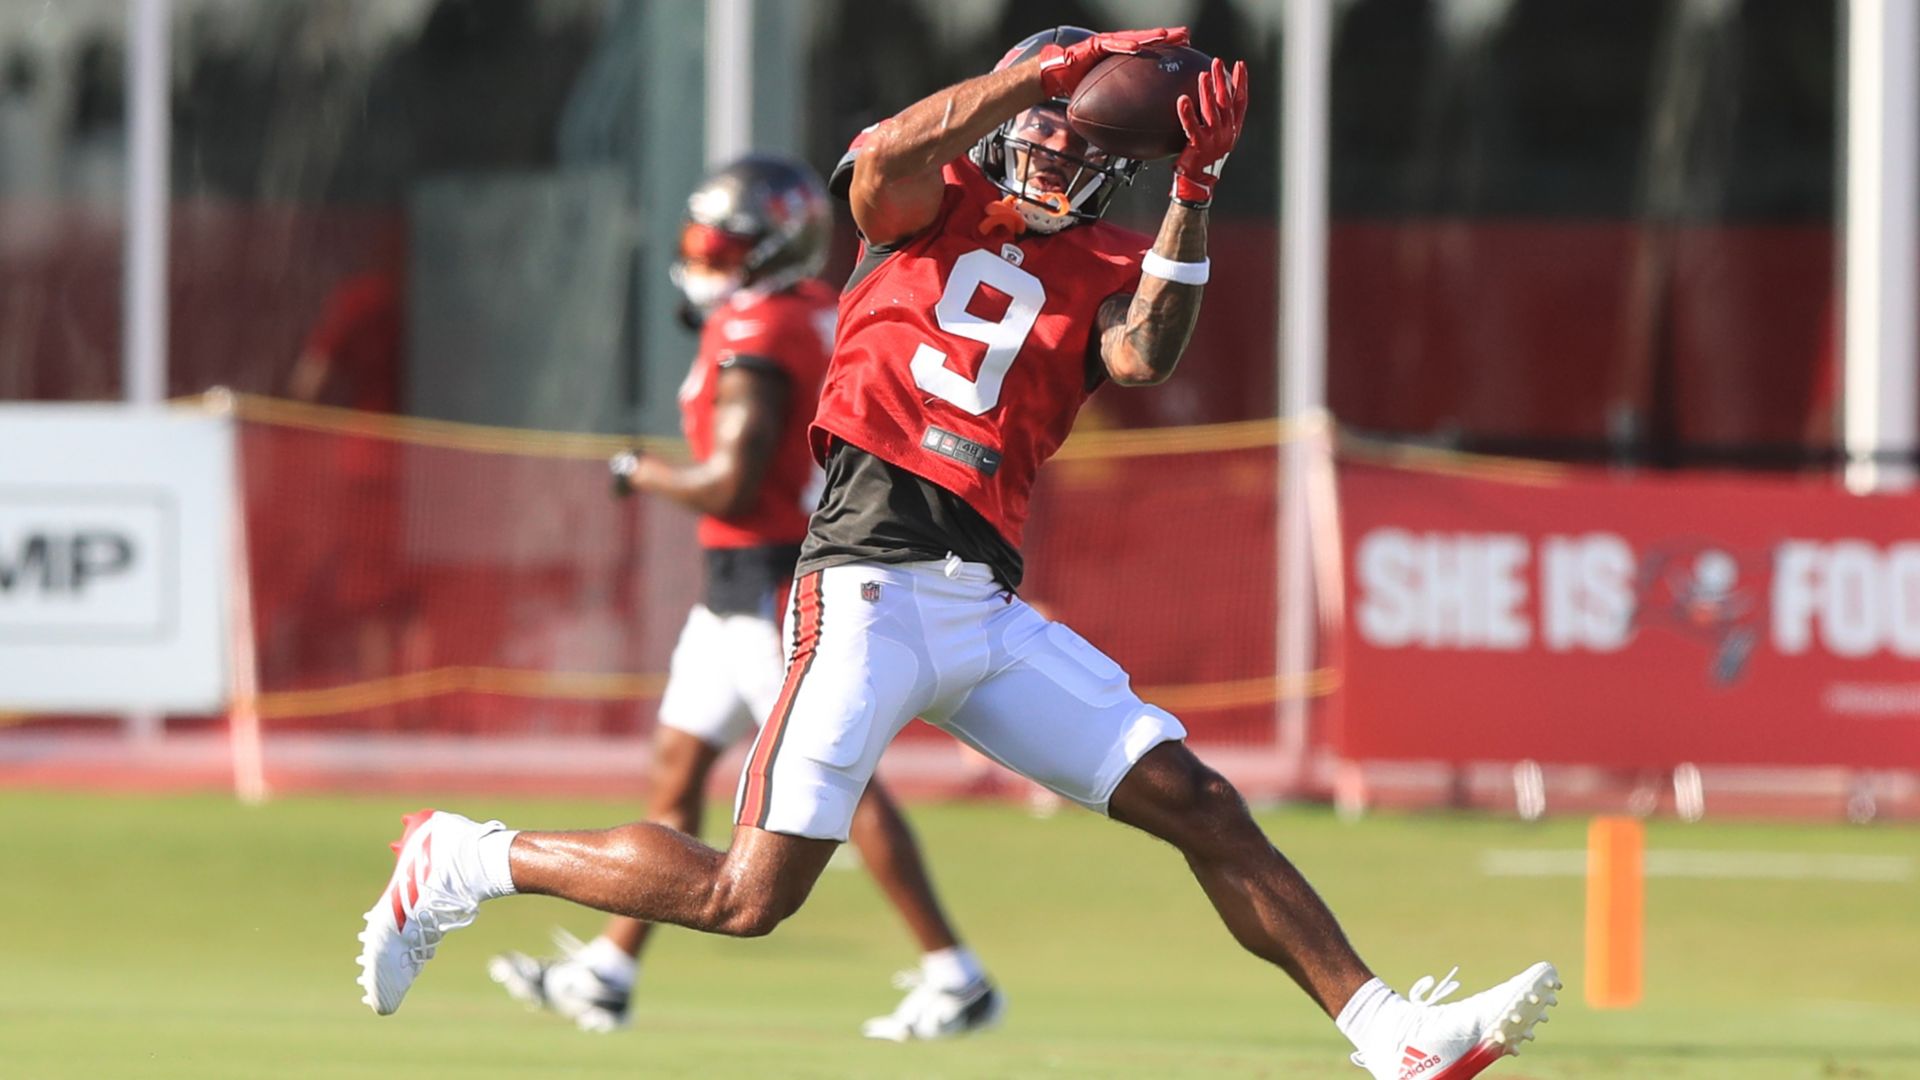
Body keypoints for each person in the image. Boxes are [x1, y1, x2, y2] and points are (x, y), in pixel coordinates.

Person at [355, 27, 1560, 1079]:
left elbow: (1143, 358)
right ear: (1001, 118)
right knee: (745, 896)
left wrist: (1197, 183)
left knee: (1195, 799)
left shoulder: (1101, 262)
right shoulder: (921, 208)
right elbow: (878, 159)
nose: (1058, 162)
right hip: (865, 586)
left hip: (981, 607)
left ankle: (1390, 1033)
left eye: (1087, 153)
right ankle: (467, 856)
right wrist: (1034, 73)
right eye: (1042, 132)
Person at [483, 155, 1003, 1040]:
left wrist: (634, 472)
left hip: (769, 588)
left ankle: (954, 974)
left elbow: (730, 482)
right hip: (736, 595)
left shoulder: (759, 326)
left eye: (719, 242)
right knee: (677, 775)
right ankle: (609, 970)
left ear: (768, 247)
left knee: (838, 783)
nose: (703, 257)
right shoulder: (806, 312)